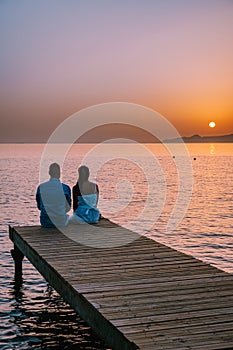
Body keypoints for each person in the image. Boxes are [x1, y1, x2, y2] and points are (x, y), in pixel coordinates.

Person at [36, 163, 71, 228]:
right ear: (60, 174)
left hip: (46, 222)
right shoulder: (65, 188)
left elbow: (39, 207)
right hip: (61, 222)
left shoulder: (41, 187)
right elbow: (68, 207)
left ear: (49, 173)